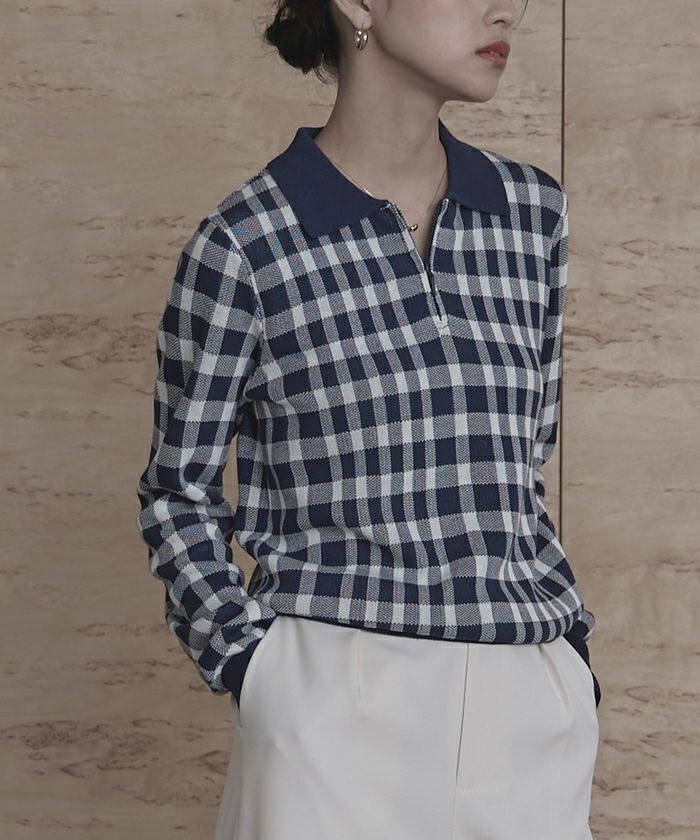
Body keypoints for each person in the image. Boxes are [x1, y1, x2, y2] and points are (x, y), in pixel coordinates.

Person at [135, 1, 602, 837]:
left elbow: (522, 464)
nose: (507, 8)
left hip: (529, 709)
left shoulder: (531, 213)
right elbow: (178, 491)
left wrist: (569, 665)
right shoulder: (246, 243)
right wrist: (253, 670)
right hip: (331, 715)